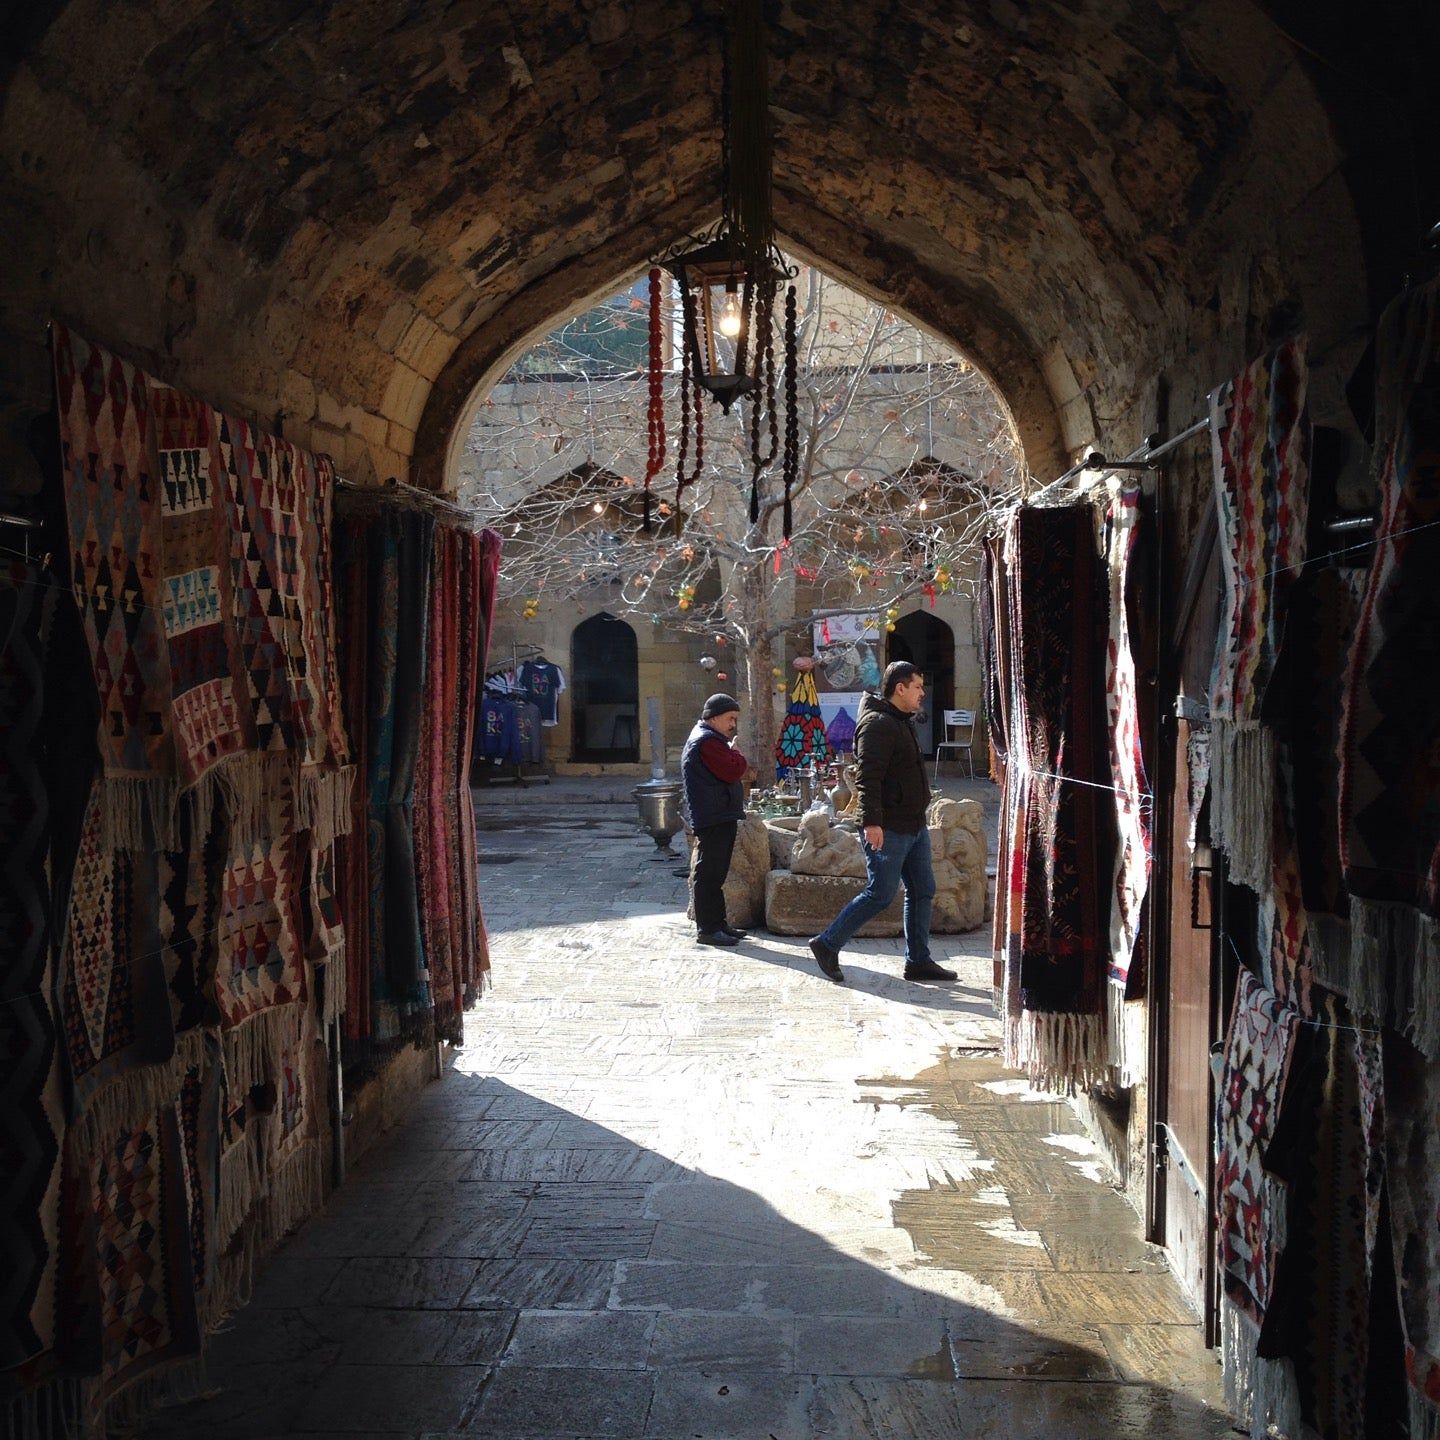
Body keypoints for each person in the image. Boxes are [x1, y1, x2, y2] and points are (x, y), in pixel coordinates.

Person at [809, 661, 956, 984]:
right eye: (917, 686)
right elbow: (868, 778)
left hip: (913, 824)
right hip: (887, 826)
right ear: (899, 688)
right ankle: (827, 943)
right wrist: (871, 823)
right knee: (880, 893)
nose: (922, 693)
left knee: (922, 889)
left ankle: (918, 960)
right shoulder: (877, 724)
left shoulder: (901, 721)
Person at [681, 693, 749, 948]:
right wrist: (737, 754)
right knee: (709, 873)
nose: (733, 724)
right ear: (715, 717)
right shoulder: (708, 742)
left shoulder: (709, 739)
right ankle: (708, 928)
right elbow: (733, 770)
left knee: (716, 873)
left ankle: (719, 924)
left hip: (717, 813)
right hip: (713, 815)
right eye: (730, 718)